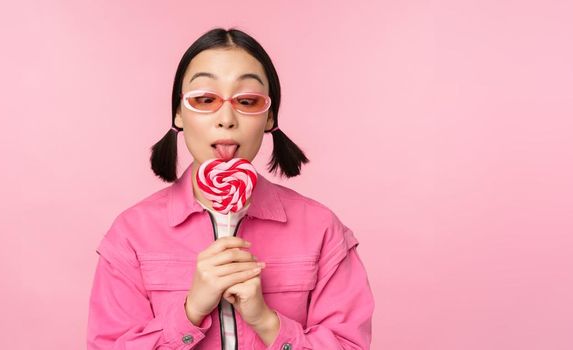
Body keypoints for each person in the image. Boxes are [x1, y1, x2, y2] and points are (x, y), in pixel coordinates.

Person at [87, 27, 374, 350]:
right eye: (205, 99)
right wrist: (190, 311)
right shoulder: (131, 235)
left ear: (269, 117)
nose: (226, 118)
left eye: (247, 100)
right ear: (179, 113)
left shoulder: (321, 229)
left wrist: (266, 321)